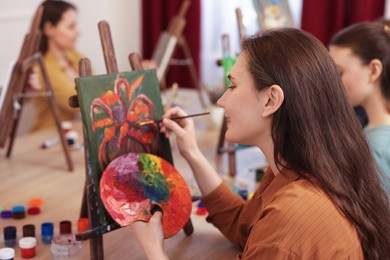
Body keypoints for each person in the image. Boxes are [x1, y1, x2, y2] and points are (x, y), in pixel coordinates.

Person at [129, 28, 390, 259]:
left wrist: (154, 251)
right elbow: (245, 226)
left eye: (232, 86)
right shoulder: (297, 169)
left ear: (270, 100)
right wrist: (192, 153)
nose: (222, 101)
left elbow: (271, 234)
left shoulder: (293, 214)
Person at [329, 22, 390, 198]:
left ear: (373, 70)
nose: (332, 82)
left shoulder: (377, 147)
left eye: (339, 73)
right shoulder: (374, 137)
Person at [30, 0, 83, 131]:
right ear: (49, 29)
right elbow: (83, 103)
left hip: (74, 135)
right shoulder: (42, 68)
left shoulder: (78, 57)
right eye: (71, 27)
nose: (78, 32)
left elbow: (97, 91)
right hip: (47, 138)